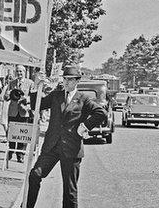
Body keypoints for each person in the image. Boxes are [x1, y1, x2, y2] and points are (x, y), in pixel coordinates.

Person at [26, 66, 107, 208]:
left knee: (69, 191)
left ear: (77, 81)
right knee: (35, 175)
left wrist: (84, 127)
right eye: (65, 79)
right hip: (51, 146)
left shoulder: (83, 99)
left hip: (71, 148)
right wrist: (35, 85)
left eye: (70, 80)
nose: (66, 82)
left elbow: (101, 113)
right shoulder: (56, 95)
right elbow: (36, 105)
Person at [6, 88, 30, 163]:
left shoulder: (30, 83)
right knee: (12, 133)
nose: (19, 75)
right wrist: (8, 94)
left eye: (21, 74)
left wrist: (25, 98)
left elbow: (32, 97)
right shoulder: (11, 83)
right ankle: (10, 151)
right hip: (13, 113)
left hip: (23, 112)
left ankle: (20, 155)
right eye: (18, 74)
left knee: (22, 135)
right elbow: (5, 98)